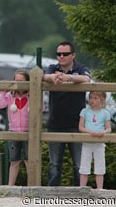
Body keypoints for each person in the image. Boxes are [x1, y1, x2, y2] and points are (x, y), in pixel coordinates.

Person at [43, 41, 91, 186]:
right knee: (54, 164)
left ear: (73, 55)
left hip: (77, 124)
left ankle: (79, 193)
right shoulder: (53, 67)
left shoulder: (80, 68)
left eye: (65, 54)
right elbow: (43, 76)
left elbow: (87, 78)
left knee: (79, 164)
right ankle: (52, 195)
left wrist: (68, 78)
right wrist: (52, 78)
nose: (61, 56)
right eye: (59, 54)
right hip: (55, 123)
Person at [0, 69, 30, 186]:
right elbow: (0, 105)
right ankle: (11, 185)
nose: (19, 83)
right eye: (16, 80)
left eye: (22, 81)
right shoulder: (10, 96)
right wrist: (3, 91)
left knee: (29, 161)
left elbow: (41, 108)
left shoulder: (32, 96)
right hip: (13, 131)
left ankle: (32, 184)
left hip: (29, 132)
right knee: (14, 161)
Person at [79, 91, 111, 189]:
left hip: (99, 144)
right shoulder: (84, 111)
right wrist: (90, 132)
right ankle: (82, 190)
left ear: (101, 99)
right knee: (84, 167)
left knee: (100, 168)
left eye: (95, 98)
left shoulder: (105, 113)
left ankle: (99, 191)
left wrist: (103, 133)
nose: (92, 100)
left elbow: (109, 128)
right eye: (91, 97)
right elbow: (81, 127)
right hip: (87, 144)